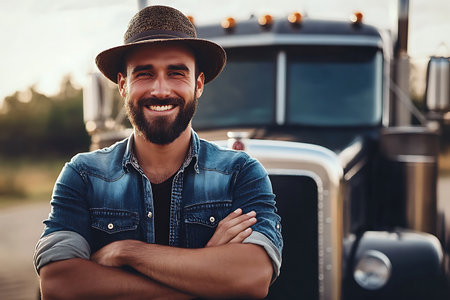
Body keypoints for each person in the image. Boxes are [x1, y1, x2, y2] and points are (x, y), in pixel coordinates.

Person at [33, 5, 282, 300]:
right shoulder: (83, 175)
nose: (161, 90)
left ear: (198, 84)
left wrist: (127, 252)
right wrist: (208, 279)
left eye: (176, 72)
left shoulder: (242, 173)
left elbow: (251, 277)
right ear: (123, 86)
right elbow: (59, 284)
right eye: (144, 74)